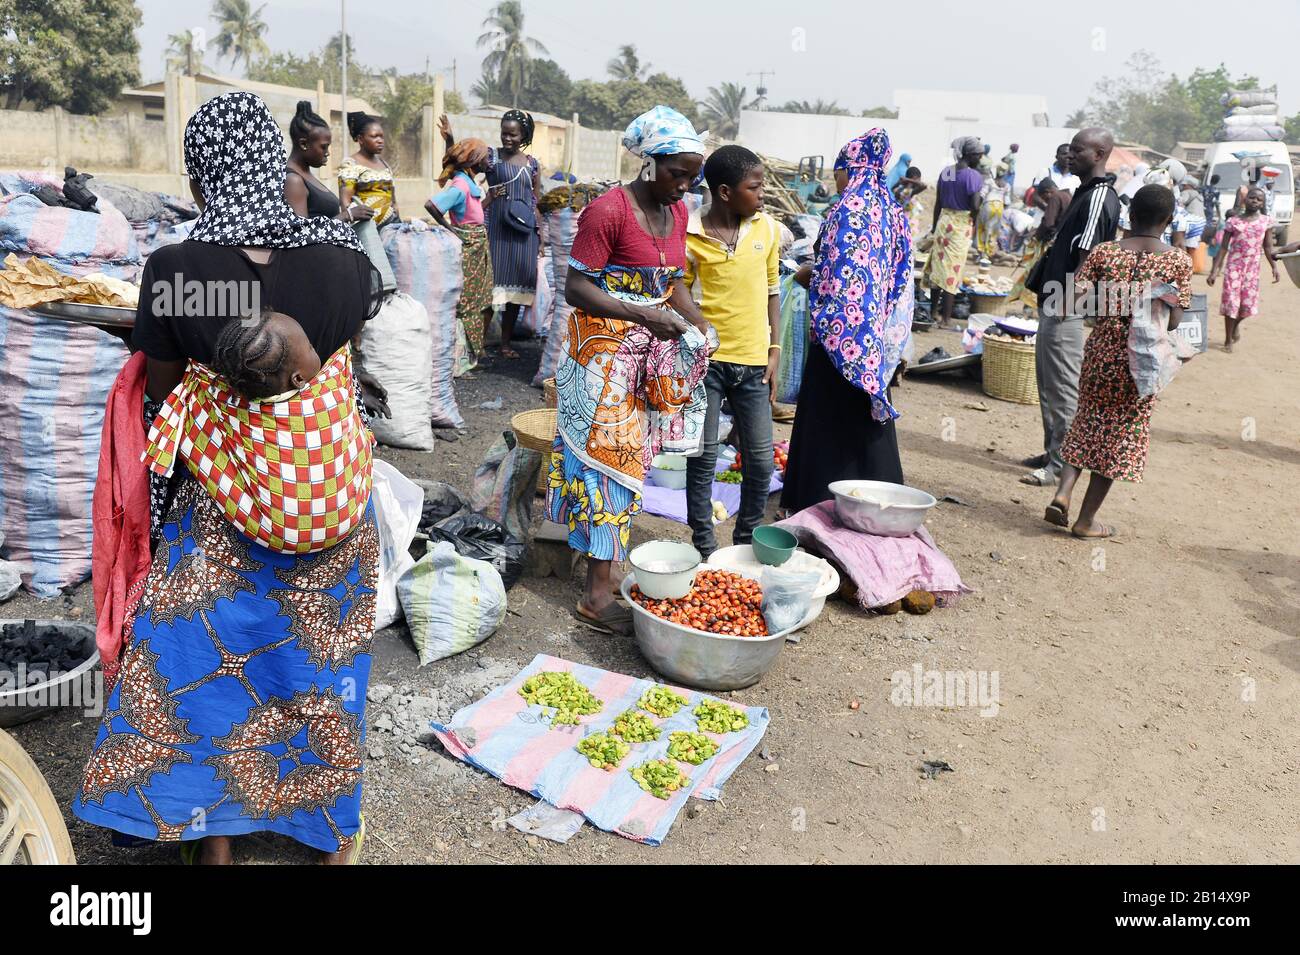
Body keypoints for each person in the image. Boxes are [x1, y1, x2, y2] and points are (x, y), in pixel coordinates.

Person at [71, 91, 385, 865]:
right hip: (328, 502)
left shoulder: (179, 269)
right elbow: (339, 363)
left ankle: (213, 843)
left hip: (225, 505)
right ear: (277, 166)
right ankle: (328, 832)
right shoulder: (343, 258)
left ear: (204, 175)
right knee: (317, 669)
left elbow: (162, 388)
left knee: (203, 672)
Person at [546, 106, 713, 635]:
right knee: (608, 470)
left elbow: (672, 282)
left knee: (630, 467)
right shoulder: (607, 211)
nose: (684, 186)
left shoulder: (680, 214)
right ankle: (596, 597)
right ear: (649, 162)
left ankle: (603, 570)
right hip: (599, 361)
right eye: (676, 174)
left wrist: (698, 323)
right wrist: (641, 313)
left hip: (645, 359)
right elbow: (575, 287)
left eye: (693, 177)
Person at [1045, 185, 1191, 538]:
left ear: (1130, 216)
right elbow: (1174, 322)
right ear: (1169, 221)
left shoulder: (1105, 252)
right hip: (1141, 363)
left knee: (1086, 422)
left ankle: (1062, 493)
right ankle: (1085, 521)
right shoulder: (1177, 262)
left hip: (1101, 354)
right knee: (1118, 439)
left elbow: (1071, 302)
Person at [780, 128, 912, 514]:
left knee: (826, 419)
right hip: (873, 337)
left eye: (837, 170)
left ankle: (815, 504)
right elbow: (898, 276)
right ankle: (881, 503)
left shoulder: (848, 209)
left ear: (850, 168)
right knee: (866, 418)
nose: (834, 179)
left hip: (840, 337)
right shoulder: (892, 211)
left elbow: (837, 276)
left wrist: (808, 276)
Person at [682, 145, 781, 558]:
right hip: (709, 365)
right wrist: (699, 330)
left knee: (759, 462)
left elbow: (775, 291)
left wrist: (775, 350)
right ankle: (704, 545)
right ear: (725, 192)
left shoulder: (767, 231)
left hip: (755, 364)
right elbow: (677, 291)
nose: (762, 195)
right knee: (703, 458)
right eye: (754, 187)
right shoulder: (691, 235)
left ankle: (745, 541)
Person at [1021, 127, 1119, 487]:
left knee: (1063, 387)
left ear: (1099, 154)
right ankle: (1053, 452)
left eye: (1078, 150)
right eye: (1069, 150)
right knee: (1048, 383)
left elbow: (1090, 255)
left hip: (1067, 305)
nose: (1069, 156)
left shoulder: (1098, 198)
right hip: (1057, 299)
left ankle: (1061, 464)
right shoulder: (1083, 192)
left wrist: (1067, 302)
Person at [441, 111, 542, 360]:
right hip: (495, 230)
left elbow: (535, 201)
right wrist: (449, 139)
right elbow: (460, 163)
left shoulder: (532, 164)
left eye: (513, 134)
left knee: (515, 296)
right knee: (487, 290)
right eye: (504, 133)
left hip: (523, 236)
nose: (507, 138)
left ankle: (505, 343)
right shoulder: (491, 156)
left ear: (524, 135)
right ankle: (480, 346)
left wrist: (541, 236)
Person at [425, 137, 493, 364]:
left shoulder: (468, 183)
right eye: (484, 157)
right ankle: (459, 360)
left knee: (475, 299)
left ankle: (468, 356)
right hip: (468, 244)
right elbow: (432, 205)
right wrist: (450, 229)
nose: (487, 162)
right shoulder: (461, 185)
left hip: (475, 243)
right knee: (467, 302)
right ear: (474, 160)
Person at [1208, 186, 1279, 352]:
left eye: (1259, 199)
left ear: (1263, 203)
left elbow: (1268, 247)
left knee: (1247, 306)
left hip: (1252, 269)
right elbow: (1223, 248)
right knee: (1231, 303)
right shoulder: (1233, 222)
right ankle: (1228, 340)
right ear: (1245, 200)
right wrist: (1214, 271)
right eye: (1252, 197)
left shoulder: (1265, 221)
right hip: (1234, 268)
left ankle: (1235, 326)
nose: (1255, 201)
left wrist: (1274, 267)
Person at [923, 136, 983, 326]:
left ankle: (933, 312)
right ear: (971, 155)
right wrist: (976, 213)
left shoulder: (947, 172)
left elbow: (939, 202)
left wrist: (934, 227)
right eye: (979, 156)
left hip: (943, 223)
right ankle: (946, 319)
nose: (980, 159)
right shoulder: (973, 176)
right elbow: (974, 204)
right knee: (953, 270)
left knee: (939, 267)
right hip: (960, 225)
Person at [211, 309, 323, 401]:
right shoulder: (324, 405)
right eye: (310, 347)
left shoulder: (216, 404)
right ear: (298, 379)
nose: (313, 346)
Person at [284, 101, 350, 220]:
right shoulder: (293, 180)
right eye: (323, 147)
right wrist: (346, 216)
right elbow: (302, 233)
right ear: (304, 144)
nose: (327, 153)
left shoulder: (305, 176)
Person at [338, 112, 399, 227]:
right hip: (366, 230)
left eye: (381, 136)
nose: (380, 140)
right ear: (361, 139)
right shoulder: (350, 165)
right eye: (374, 136)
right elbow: (345, 204)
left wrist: (398, 224)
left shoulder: (384, 164)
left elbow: (393, 202)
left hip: (390, 227)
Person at [976, 170, 1011, 260]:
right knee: (994, 231)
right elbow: (1007, 202)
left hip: (988, 205)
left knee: (981, 228)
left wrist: (977, 208)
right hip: (999, 207)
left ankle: (982, 252)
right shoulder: (1007, 186)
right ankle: (988, 252)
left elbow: (982, 194)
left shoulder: (989, 181)